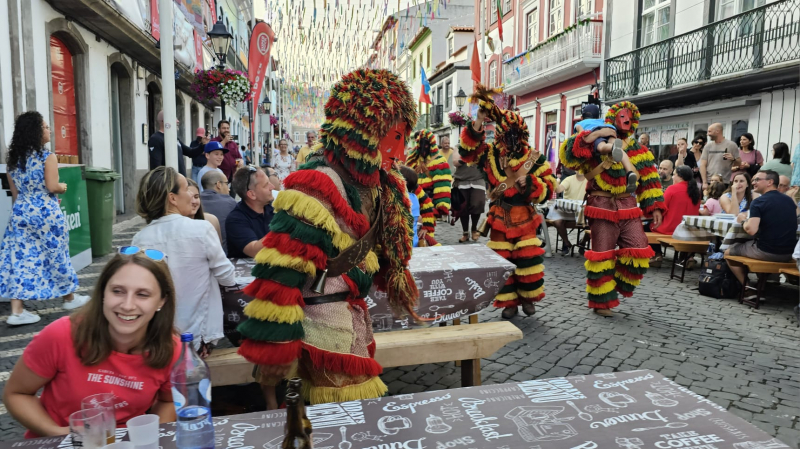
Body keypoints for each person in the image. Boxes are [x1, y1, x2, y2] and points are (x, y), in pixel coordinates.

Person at [236, 68, 420, 408]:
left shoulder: (377, 182)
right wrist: (274, 346)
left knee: (323, 408)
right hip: (321, 322)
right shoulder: (315, 186)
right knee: (337, 413)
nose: (401, 152)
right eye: (394, 137)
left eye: (403, 138)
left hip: (349, 314)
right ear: (364, 132)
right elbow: (281, 272)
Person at [3, 250, 180, 438]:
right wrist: (59, 434)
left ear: (162, 301)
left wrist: (148, 437)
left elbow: (168, 401)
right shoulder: (62, 335)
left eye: (142, 294)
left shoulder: (172, 349)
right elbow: (16, 394)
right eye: (118, 291)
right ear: (103, 293)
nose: (128, 305)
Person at [560, 101, 666, 317]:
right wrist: (584, 137)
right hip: (601, 204)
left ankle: (610, 286)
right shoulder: (595, 136)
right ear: (613, 117)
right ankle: (602, 301)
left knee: (639, 251)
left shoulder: (639, 150)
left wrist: (654, 206)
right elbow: (571, 156)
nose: (626, 120)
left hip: (628, 205)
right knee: (602, 254)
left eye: (629, 116)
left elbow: (650, 179)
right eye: (622, 115)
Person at [460, 85, 556, 319]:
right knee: (502, 260)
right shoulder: (491, 154)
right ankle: (509, 303)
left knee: (528, 258)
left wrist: (532, 183)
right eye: (507, 135)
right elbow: (467, 153)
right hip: (500, 215)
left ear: (522, 134)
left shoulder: (534, 157)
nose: (512, 140)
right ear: (501, 135)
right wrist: (479, 120)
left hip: (524, 214)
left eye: (516, 135)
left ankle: (528, 298)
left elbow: (550, 186)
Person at [132, 167, 236, 357]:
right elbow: (227, 277)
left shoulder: (139, 238)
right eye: (187, 189)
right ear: (172, 198)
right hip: (197, 335)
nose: (192, 194)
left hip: (158, 336)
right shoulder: (202, 229)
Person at [0, 112, 89, 326]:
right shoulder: (47, 157)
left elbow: (15, 193)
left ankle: (17, 311)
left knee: (19, 259)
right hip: (45, 212)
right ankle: (68, 297)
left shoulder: (13, 160)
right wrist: (62, 187)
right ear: (36, 132)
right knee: (56, 253)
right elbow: (52, 186)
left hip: (21, 211)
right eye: (46, 127)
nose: (49, 130)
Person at [725, 170, 798, 285]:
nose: (753, 182)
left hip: (767, 252)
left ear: (770, 182)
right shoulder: (789, 201)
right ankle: (768, 281)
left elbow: (751, 230)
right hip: (789, 252)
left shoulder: (759, 202)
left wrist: (743, 221)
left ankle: (748, 288)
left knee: (728, 252)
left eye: (757, 179)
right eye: (753, 180)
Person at [573, 103, 637, 192]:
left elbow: (582, 135)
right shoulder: (602, 121)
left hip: (594, 130)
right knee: (620, 149)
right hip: (609, 128)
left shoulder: (580, 123)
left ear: (582, 117)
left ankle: (612, 148)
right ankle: (629, 172)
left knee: (602, 147)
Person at [650, 165, 703, 265]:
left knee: (648, 227)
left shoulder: (672, 189)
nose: (673, 177)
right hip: (689, 230)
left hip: (671, 228)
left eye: (674, 175)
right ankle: (688, 257)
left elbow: (662, 208)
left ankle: (657, 255)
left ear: (681, 177)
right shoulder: (696, 191)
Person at [225, 167, 275, 259]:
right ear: (252, 194)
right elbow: (254, 250)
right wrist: (284, 228)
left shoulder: (274, 209)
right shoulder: (236, 219)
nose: (272, 187)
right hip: (248, 271)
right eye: (266, 185)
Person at [406, 130, 453, 217]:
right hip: (414, 197)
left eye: (427, 145)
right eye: (422, 144)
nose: (424, 148)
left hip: (429, 197)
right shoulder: (413, 159)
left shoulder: (439, 160)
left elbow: (442, 184)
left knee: (427, 225)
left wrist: (441, 205)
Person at [147, 111, 202, 177]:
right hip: (170, 183)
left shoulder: (174, 138)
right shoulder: (156, 139)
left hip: (180, 181)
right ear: (164, 121)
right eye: (174, 118)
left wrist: (203, 145)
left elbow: (191, 153)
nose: (178, 121)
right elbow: (156, 167)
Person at [451, 150, 487, 243]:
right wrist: (468, 156)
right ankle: (465, 233)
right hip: (462, 180)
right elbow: (455, 162)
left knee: (478, 203)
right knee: (463, 207)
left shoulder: (482, 147)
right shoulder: (459, 148)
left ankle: (474, 229)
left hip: (478, 179)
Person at [399, 165, 439, 247]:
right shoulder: (414, 196)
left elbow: (427, 206)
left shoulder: (399, 198)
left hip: (402, 245)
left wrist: (426, 227)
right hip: (413, 242)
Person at [200, 170, 237, 255]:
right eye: (227, 184)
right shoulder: (230, 203)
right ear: (219, 185)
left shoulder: (194, 202)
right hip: (225, 255)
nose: (229, 189)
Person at [551, 172, 588, 255]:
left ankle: (582, 242)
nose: (579, 169)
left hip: (583, 212)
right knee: (557, 221)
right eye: (577, 167)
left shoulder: (589, 180)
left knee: (596, 224)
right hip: (568, 211)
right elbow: (558, 190)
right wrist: (557, 181)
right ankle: (567, 243)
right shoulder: (569, 179)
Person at [700, 123, 740, 190]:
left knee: (723, 200)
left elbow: (739, 163)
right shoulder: (708, 146)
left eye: (710, 131)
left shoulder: (732, 145)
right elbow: (702, 165)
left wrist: (733, 159)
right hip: (710, 181)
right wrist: (704, 182)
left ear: (717, 131)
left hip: (724, 181)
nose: (707, 134)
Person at [186, 179, 221, 243]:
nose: (194, 201)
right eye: (189, 198)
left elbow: (219, 249)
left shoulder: (212, 220)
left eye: (196, 197)